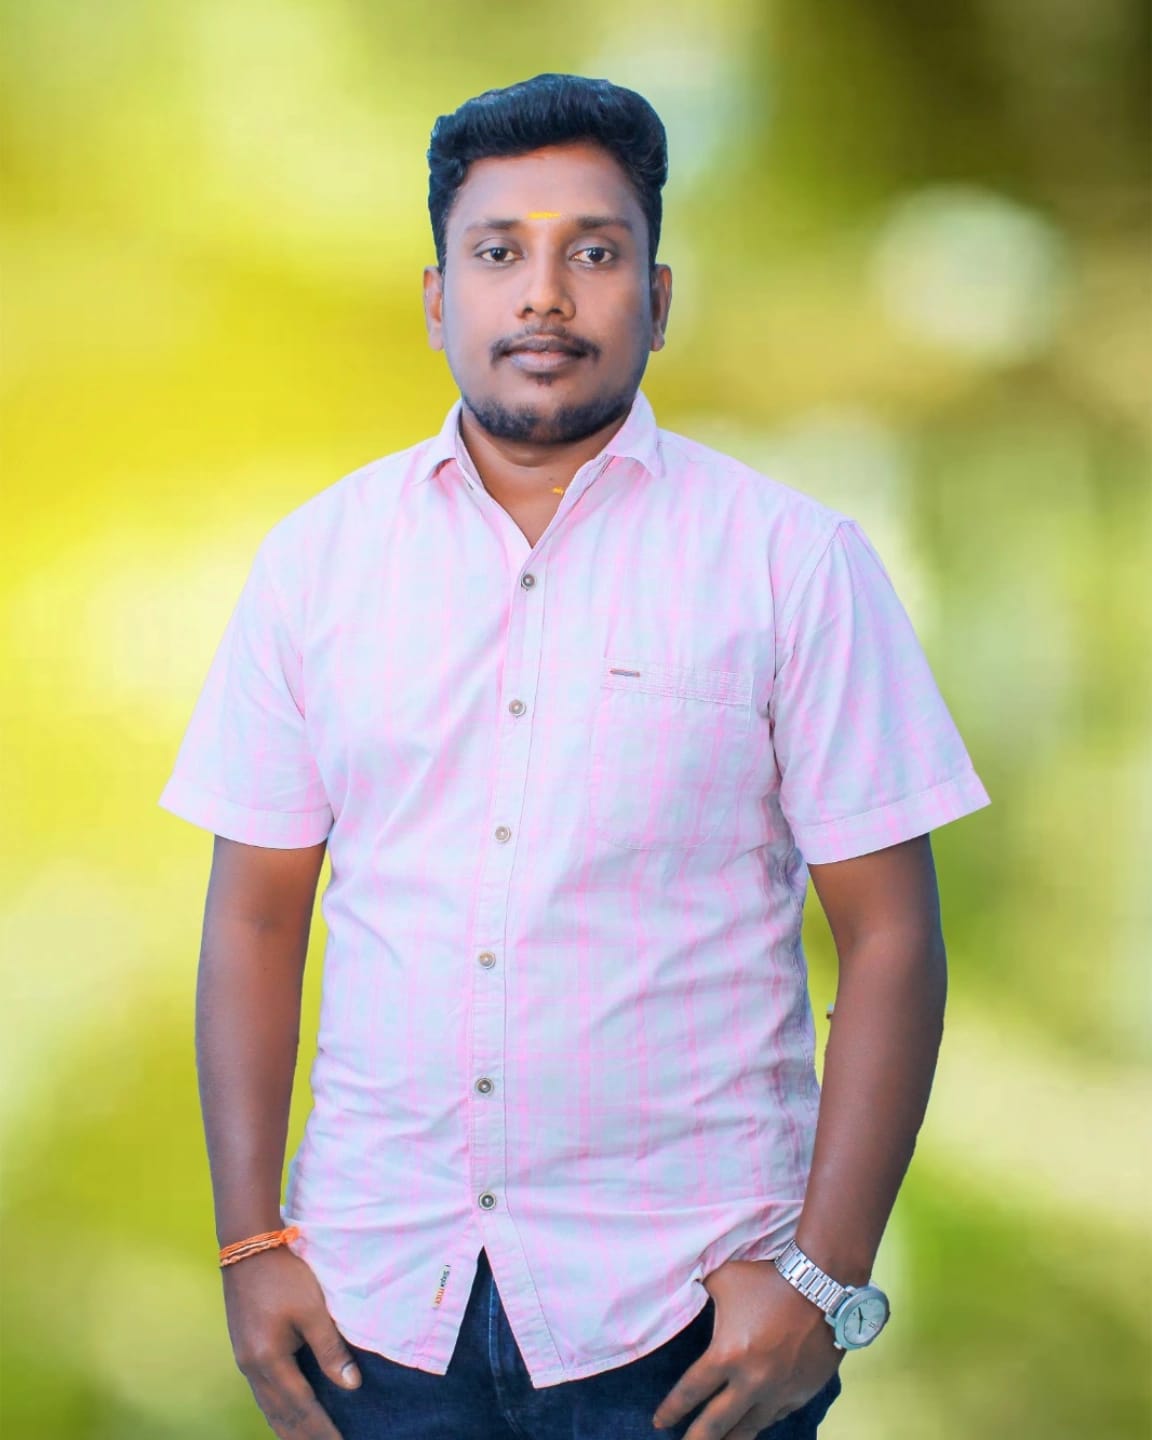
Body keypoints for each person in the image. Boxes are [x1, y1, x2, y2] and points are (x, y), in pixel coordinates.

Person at [158, 72, 991, 1440]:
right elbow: (254, 916)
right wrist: (250, 1245)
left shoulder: (793, 563)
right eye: (500, 253)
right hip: (377, 1310)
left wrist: (825, 1281)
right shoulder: (315, 565)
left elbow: (893, 938)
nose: (543, 296)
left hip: (688, 1324)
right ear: (438, 299)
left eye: (592, 254)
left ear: (656, 298)